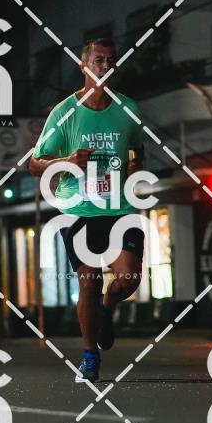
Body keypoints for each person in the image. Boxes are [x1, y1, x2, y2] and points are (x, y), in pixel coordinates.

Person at [29, 38, 145, 383]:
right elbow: (35, 163)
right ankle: (90, 357)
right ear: (83, 66)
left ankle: (108, 308)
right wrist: (66, 161)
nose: (105, 66)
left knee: (128, 280)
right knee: (89, 284)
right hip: (79, 210)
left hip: (119, 208)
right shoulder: (64, 112)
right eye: (98, 60)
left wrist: (135, 167)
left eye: (110, 60)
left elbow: (137, 150)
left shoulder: (129, 108)